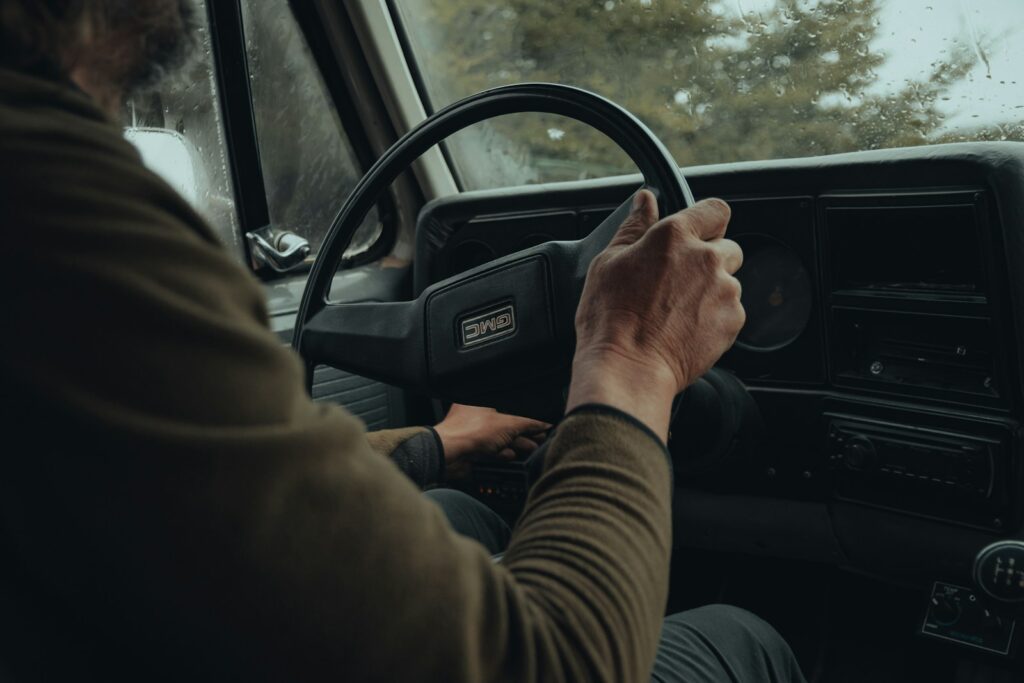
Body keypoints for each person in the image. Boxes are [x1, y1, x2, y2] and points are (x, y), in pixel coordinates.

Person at [0, 1, 806, 681]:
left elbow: (187, 481)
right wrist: (632, 358)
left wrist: (432, 443)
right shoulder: (60, 219)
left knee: (458, 507)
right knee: (745, 636)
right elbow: (563, 660)